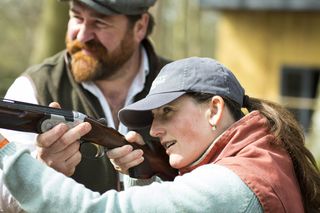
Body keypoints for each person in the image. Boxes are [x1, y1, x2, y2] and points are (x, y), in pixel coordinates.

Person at [1, 57, 320, 212]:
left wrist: (6, 151)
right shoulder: (260, 161)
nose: (154, 130)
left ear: (214, 109)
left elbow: (98, 211)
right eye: (153, 117)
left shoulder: (233, 186)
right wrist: (140, 177)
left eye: (168, 112)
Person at [0, 0, 170, 212]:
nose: (82, 36)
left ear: (140, 27)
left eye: (99, 23)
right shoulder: (33, 86)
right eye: (77, 17)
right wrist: (40, 172)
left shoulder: (180, 88)